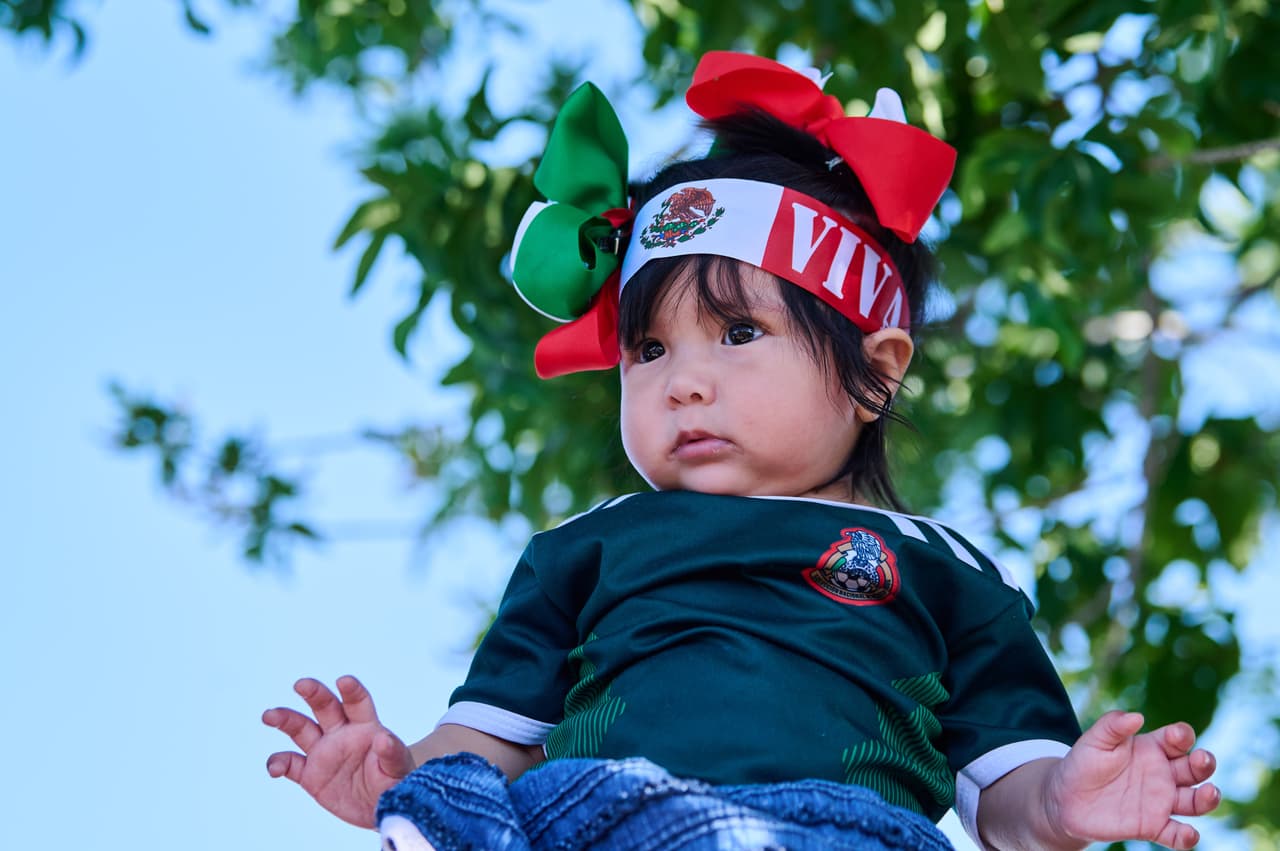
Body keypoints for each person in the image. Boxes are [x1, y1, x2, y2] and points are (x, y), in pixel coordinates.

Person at [263, 51, 1220, 851]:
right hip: (598, 809)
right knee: (467, 804)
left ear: (872, 374)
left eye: (735, 334)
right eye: (648, 350)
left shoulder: (939, 564)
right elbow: (493, 736)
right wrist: (402, 771)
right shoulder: (595, 541)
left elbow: (1006, 782)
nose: (683, 380)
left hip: (842, 828)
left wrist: (1061, 802)